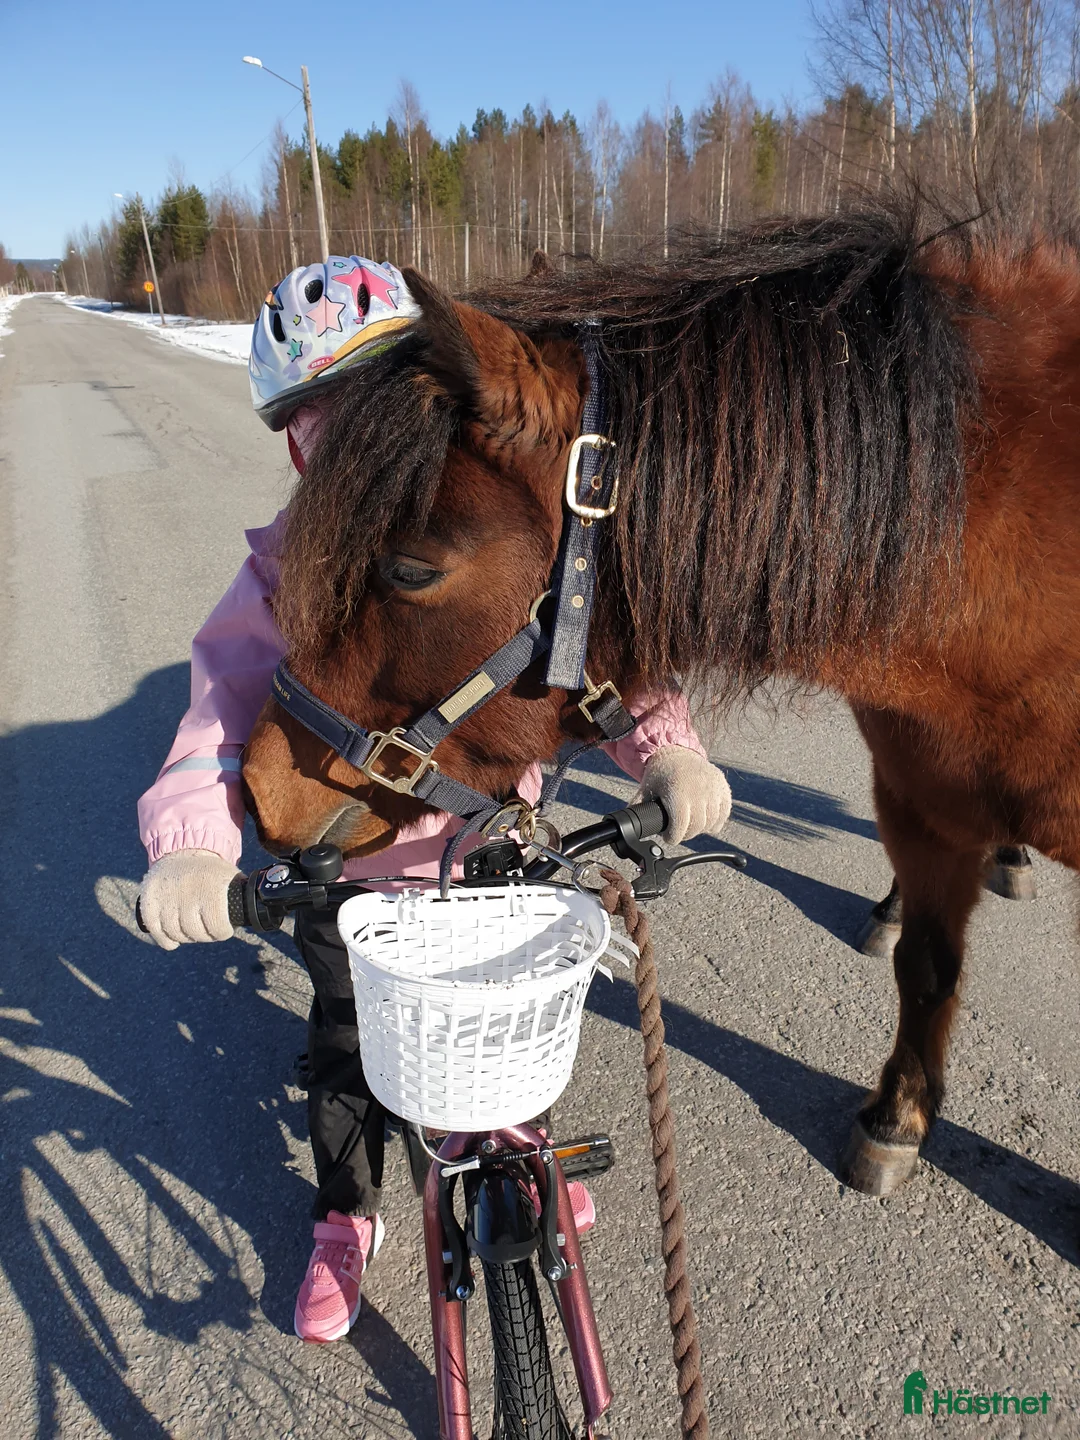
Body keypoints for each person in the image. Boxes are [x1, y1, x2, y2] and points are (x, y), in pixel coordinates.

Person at [136, 256, 733, 1345]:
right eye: (317, 426)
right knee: (352, 1047)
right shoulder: (286, 569)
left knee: (500, 1022)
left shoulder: (475, 524)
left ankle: (512, 1152)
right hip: (353, 882)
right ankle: (345, 1215)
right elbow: (220, 708)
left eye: (376, 409)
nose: (348, 446)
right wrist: (192, 845)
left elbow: (576, 635)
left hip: (494, 844)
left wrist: (668, 748)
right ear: (296, 444)